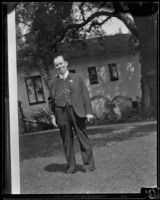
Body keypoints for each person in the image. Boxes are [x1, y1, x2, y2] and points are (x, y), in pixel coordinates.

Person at [48, 53, 95, 174]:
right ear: (55, 67)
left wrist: (89, 112)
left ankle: (88, 165)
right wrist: (52, 115)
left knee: (83, 138)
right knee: (67, 141)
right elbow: (50, 101)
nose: (59, 66)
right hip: (61, 113)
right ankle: (71, 167)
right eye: (56, 65)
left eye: (61, 63)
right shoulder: (53, 82)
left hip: (77, 111)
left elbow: (85, 95)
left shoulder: (77, 77)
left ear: (66, 63)